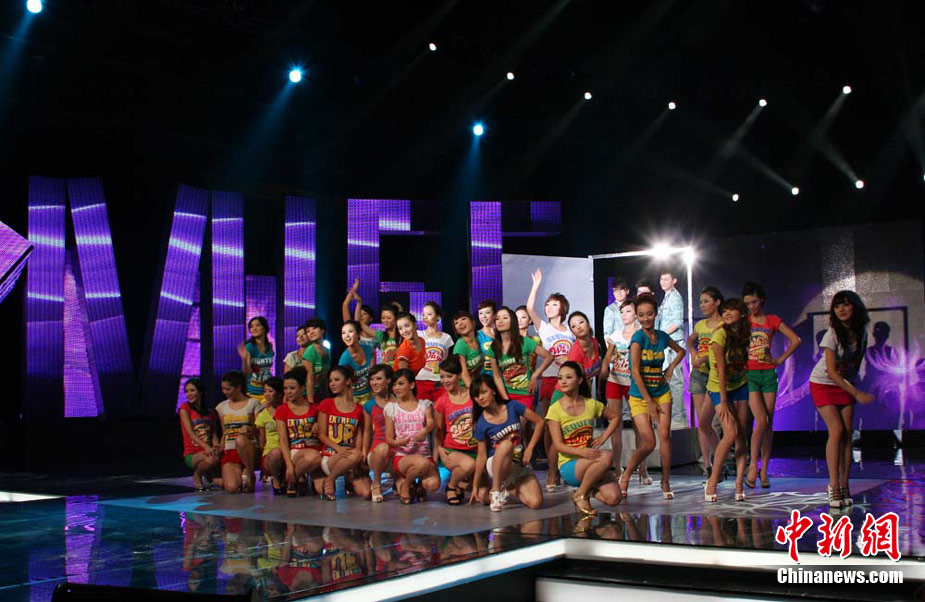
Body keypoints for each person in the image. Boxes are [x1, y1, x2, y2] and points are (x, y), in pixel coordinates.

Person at [808, 290, 874, 508]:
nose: (841, 310)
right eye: (837, 306)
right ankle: (833, 485)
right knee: (836, 430)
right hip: (823, 383)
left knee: (847, 433)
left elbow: (855, 363)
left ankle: (845, 485)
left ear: (855, 306)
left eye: (846, 305)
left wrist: (854, 387)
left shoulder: (862, 332)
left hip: (845, 384)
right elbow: (831, 372)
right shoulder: (832, 334)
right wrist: (856, 393)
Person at [619, 294, 685, 501]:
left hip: (661, 392)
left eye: (649, 314)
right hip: (640, 396)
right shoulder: (638, 338)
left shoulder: (662, 336)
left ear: (655, 314)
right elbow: (635, 372)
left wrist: (670, 368)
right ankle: (626, 475)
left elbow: (681, 351)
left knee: (665, 436)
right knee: (648, 442)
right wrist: (648, 402)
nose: (646, 318)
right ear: (637, 317)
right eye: (641, 315)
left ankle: (665, 481)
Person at [741, 282, 802, 489]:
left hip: (768, 373)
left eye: (754, 302)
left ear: (762, 300)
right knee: (761, 420)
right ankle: (752, 466)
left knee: (768, 423)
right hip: (749, 374)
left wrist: (779, 359)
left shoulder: (772, 320)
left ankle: (764, 469)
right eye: (747, 303)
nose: (751, 306)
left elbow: (795, 340)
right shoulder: (744, 322)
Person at [546, 362, 624, 515]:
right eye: (560, 378)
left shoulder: (591, 404)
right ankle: (581, 494)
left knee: (614, 498)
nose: (563, 381)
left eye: (568, 377)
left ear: (580, 380)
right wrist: (582, 452)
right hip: (569, 465)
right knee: (607, 456)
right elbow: (558, 445)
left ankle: (583, 491)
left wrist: (603, 437)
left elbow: (616, 417)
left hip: (591, 462)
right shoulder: (555, 409)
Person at [702, 299, 754, 503]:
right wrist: (723, 400)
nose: (728, 313)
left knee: (741, 433)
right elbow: (721, 370)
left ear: (742, 313)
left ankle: (739, 483)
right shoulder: (719, 335)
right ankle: (713, 480)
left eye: (732, 310)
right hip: (718, 387)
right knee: (729, 432)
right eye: (725, 310)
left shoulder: (745, 333)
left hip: (740, 385)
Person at [469, 376, 546, 512]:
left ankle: (508, 489)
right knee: (506, 444)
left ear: (493, 391)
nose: (480, 398)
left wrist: (530, 448)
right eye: (476, 395)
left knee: (535, 502)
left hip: (517, 463)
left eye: (484, 392)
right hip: (496, 464)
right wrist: (475, 485)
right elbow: (481, 456)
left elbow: (540, 421)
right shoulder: (481, 422)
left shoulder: (512, 406)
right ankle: (496, 490)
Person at [600, 300, 650, 483]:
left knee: (639, 426)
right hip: (615, 381)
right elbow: (607, 358)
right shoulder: (615, 335)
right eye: (622, 312)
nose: (624, 315)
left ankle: (642, 468)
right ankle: (617, 468)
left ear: (635, 313)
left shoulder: (641, 334)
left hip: (634, 384)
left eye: (628, 311)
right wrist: (606, 365)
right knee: (616, 424)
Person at [384, 368, 441, 503]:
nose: (396, 388)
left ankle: (416, 484)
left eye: (400, 384)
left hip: (424, 454)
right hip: (403, 456)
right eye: (394, 385)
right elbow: (389, 439)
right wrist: (399, 442)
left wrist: (425, 431)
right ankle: (406, 484)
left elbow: (431, 423)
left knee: (433, 484)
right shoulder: (391, 408)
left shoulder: (424, 405)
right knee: (422, 462)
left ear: (411, 385)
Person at [317, 366, 370, 500]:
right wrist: (338, 448)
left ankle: (348, 478)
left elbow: (359, 434)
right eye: (330, 381)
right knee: (354, 455)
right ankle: (330, 480)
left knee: (366, 493)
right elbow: (321, 434)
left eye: (336, 380)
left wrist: (358, 457)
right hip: (331, 456)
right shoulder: (327, 404)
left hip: (350, 457)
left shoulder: (358, 409)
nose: (332, 384)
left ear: (347, 382)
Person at [687, 286, 724, 478]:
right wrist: (694, 355)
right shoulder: (700, 325)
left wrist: (705, 358)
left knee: (713, 422)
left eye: (706, 301)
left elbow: (722, 351)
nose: (702, 305)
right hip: (699, 375)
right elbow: (690, 341)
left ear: (717, 302)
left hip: (716, 376)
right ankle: (707, 466)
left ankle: (720, 461)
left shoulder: (723, 325)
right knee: (702, 422)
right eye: (701, 302)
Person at [486, 307, 554, 409]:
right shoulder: (493, 347)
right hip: (506, 394)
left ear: (513, 321)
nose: (500, 321)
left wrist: (535, 375)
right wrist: (506, 399)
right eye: (497, 318)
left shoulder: (525, 342)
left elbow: (549, 357)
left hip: (525, 393)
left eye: (505, 318)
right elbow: (497, 377)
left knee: (522, 419)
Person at [434, 357, 480, 505]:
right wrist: (439, 449)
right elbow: (438, 430)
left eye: (449, 376)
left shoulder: (473, 396)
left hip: (475, 450)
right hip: (452, 450)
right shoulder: (442, 401)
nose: (445, 381)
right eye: (442, 377)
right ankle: (451, 486)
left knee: (484, 497)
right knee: (468, 465)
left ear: (459, 375)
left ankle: (463, 482)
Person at [275, 367, 323, 497]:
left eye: (292, 388)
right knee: (313, 456)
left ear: (302, 388)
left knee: (322, 490)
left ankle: (294, 478)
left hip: (315, 449)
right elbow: (283, 440)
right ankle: (292, 479)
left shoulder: (314, 408)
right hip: (296, 451)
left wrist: (318, 424)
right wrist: (289, 465)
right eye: (285, 388)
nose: (288, 392)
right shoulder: (282, 410)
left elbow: (323, 431)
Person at [214, 371, 261, 494]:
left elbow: (260, 428)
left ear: (238, 387)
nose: (224, 392)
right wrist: (220, 446)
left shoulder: (253, 403)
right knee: (232, 488)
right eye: (223, 389)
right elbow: (225, 431)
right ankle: (226, 479)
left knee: (240, 439)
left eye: (228, 389)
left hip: (249, 447)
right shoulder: (221, 407)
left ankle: (250, 474)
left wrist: (250, 429)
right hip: (230, 449)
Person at [655, 270, 687, 428]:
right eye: (661, 279)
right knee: (669, 380)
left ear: (674, 280)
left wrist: (662, 335)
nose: (663, 282)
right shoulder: (667, 297)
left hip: (673, 343)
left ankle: (678, 417)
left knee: (675, 380)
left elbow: (677, 322)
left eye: (666, 279)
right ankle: (674, 416)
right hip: (667, 343)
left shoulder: (675, 297)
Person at [178, 377, 220, 491]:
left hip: (208, 450)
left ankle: (208, 472)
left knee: (223, 483)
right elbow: (191, 433)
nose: (189, 394)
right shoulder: (184, 408)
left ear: (200, 391)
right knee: (211, 458)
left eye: (192, 390)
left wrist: (216, 446)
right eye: (187, 391)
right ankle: (197, 475)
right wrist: (207, 447)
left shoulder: (210, 412)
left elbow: (213, 433)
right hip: (192, 453)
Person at [550, 311, 601, 405]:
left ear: (588, 325)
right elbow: (571, 383)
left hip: (582, 393)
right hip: (565, 395)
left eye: (581, 322)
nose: (578, 327)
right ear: (572, 332)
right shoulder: (576, 353)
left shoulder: (594, 342)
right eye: (573, 326)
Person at [362, 364, 394, 502]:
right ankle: (376, 483)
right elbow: (367, 431)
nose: (374, 383)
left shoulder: (399, 401)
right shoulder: (369, 405)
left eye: (378, 379)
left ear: (389, 380)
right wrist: (364, 451)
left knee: (404, 493)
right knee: (383, 448)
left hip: (398, 450)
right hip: (378, 450)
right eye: (372, 379)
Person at [414, 302, 455, 401]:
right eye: (423, 314)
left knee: (440, 407)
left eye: (429, 314)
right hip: (421, 379)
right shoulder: (418, 335)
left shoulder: (446, 338)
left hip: (439, 381)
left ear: (438, 316)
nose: (425, 317)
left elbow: (445, 360)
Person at [256, 376, 285, 493]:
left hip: (287, 450)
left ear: (279, 394)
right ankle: (275, 479)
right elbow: (262, 441)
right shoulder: (262, 415)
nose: (267, 394)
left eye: (270, 391)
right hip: (270, 454)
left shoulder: (287, 410)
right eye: (265, 391)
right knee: (276, 453)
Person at [339, 320, 376, 404]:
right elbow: (344, 386)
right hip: (353, 399)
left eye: (350, 331)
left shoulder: (369, 349)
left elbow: (373, 374)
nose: (347, 336)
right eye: (343, 333)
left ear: (359, 334)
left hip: (370, 395)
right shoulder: (344, 359)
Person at [238, 316, 275, 401]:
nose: (254, 328)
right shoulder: (249, 347)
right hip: (252, 391)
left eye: (257, 325)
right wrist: (244, 359)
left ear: (265, 328)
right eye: (251, 327)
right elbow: (246, 373)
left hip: (267, 390)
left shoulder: (270, 346)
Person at [341, 277, 378, 347]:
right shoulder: (353, 329)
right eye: (360, 313)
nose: (361, 316)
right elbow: (345, 305)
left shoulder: (374, 333)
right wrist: (353, 290)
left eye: (365, 314)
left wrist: (359, 301)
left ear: (371, 318)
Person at [301, 318, 330, 403]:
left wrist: (326, 398)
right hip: (306, 395)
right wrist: (311, 402)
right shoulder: (310, 351)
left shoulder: (327, 351)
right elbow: (309, 379)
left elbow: (324, 377)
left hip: (319, 394)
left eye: (314, 328)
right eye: (308, 331)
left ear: (322, 330)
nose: (311, 332)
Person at [452, 310, 483, 389]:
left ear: (473, 323)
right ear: (456, 330)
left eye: (463, 319)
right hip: (466, 387)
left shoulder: (480, 338)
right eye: (456, 323)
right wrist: (473, 392)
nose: (460, 323)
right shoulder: (460, 345)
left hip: (479, 383)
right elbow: (464, 374)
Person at [476, 300, 497, 375]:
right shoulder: (477, 335)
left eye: (487, 313)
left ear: (494, 315)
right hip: (484, 377)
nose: (483, 316)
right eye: (480, 313)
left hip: (503, 376)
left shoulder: (501, 333)